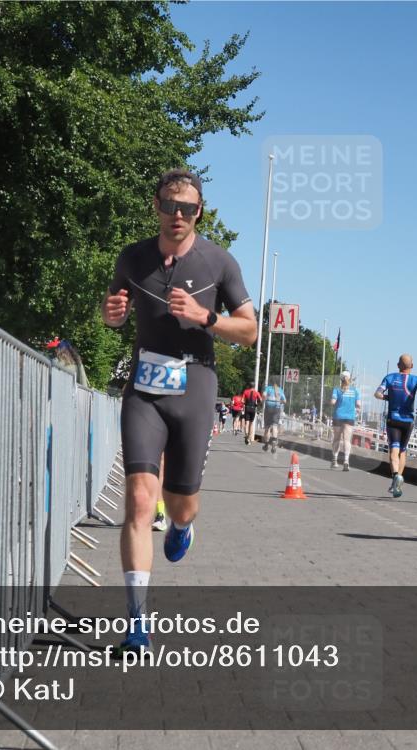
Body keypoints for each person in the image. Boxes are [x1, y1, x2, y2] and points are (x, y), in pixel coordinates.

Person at [101, 168, 256, 654]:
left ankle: (184, 527)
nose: (178, 215)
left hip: (195, 384)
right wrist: (112, 317)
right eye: (170, 205)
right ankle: (136, 622)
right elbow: (115, 310)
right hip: (144, 388)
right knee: (141, 502)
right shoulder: (133, 257)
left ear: (199, 212)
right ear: (157, 206)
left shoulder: (219, 263)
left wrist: (206, 317)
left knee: (180, 503)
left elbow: (250, 331)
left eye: (187, 208)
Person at [375, 355, 417, 497]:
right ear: (412, 365)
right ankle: (398, 477)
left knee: (394, 450)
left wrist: (388, 397)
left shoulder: (390, 378)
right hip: (408, 421)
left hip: (393, 419)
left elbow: (378, 394)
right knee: (403, 451)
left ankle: (395, 477)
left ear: (398, 365)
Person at [330, 371, 361, 471]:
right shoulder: (355, 390)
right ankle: (346, 461)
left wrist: (332, 401)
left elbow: (333, 402)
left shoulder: (337, 389)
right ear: (349, 378)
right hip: (350, 417)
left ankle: (334, 460)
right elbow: (358, 404)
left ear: (341, 379)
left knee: (337, 439)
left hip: (338, 416)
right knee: (347, 440)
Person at [262, 378, 286, 454]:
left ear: (271, 383)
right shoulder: (280, 390)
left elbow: (263, 395)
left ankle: (266, 444)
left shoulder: (268, 388)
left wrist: (264, 400)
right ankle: (274, 441)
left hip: (268, 408)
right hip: (277, 408)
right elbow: (285, 401)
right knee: (275, 426)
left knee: (267, 428)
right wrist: (280, 401)